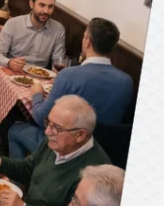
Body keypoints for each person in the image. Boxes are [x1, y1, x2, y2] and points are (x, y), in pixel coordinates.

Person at [9, 18, 134, 158]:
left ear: (87, 41)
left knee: (15, 130)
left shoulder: (68, 75)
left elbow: (41, 119)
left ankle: (27, 171)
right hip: (102, 154)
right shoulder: (127, 82)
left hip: (66, 151)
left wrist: (37, 94)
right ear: (113, 47)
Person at [0, 0, 66, 71]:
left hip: (41, 75)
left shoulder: (58, 29)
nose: (46, 11)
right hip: (13, 71)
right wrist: (9, 62)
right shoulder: (13, 24)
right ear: (31, 4)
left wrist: (58, 71)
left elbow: (58, 62)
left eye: (50, 7)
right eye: (42, 5)